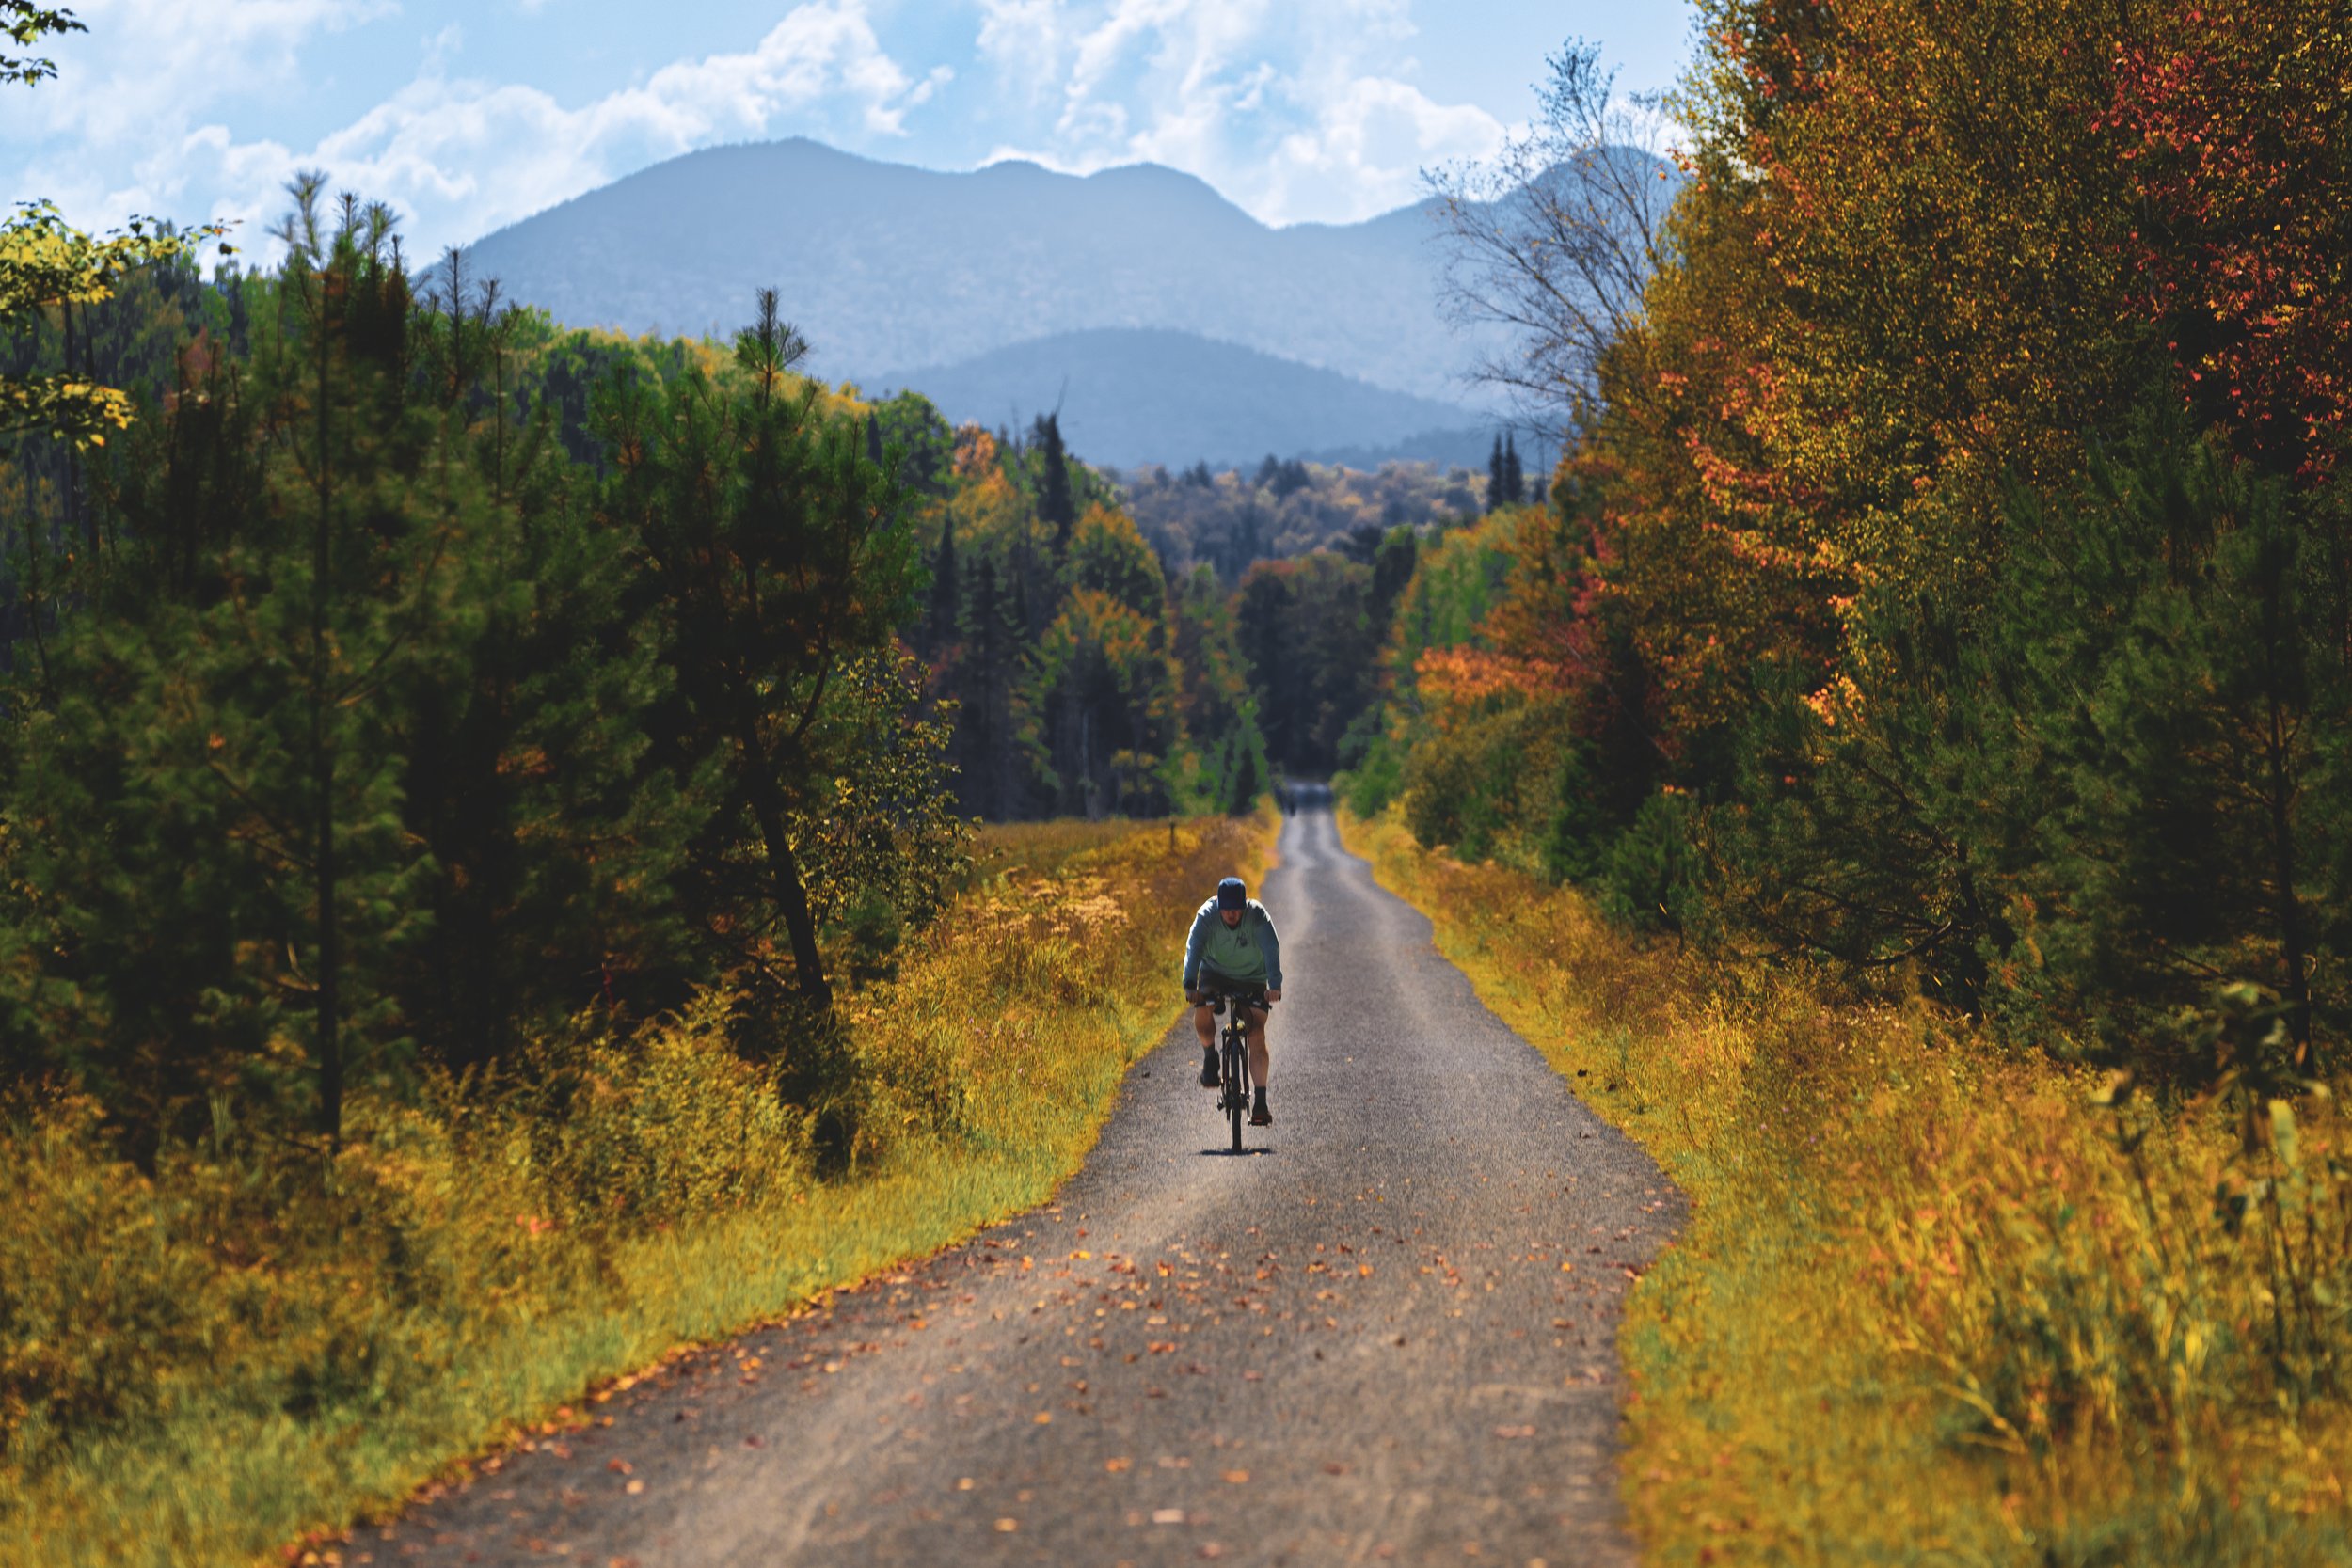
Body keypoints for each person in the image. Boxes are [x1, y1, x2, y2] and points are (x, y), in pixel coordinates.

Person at [1182, 875, 1283, 1126]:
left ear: (1244, 906)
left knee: (1256, 1033)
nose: (1231, 915)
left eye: (1236, 910)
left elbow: (1271, 949)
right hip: (1214, 972)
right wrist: (1189, 984)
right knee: (1202, 1005)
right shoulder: (1206, 916)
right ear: (1218, 907)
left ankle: (1260, 1102)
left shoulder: (1257, 916)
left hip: (1252, 977)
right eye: (1226, 910)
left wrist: (1275, 985)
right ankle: (1210, 1057)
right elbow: (1194, 948)